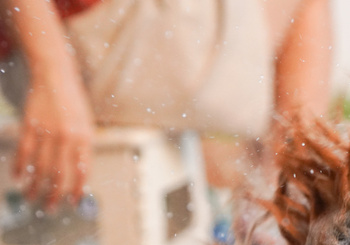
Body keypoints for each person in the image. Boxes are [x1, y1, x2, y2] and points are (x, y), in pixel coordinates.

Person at [0, 0, 332, 210]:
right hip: (92, 48)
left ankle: (272, 199)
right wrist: (54, 77)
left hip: (34, 60)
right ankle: (280, 207)